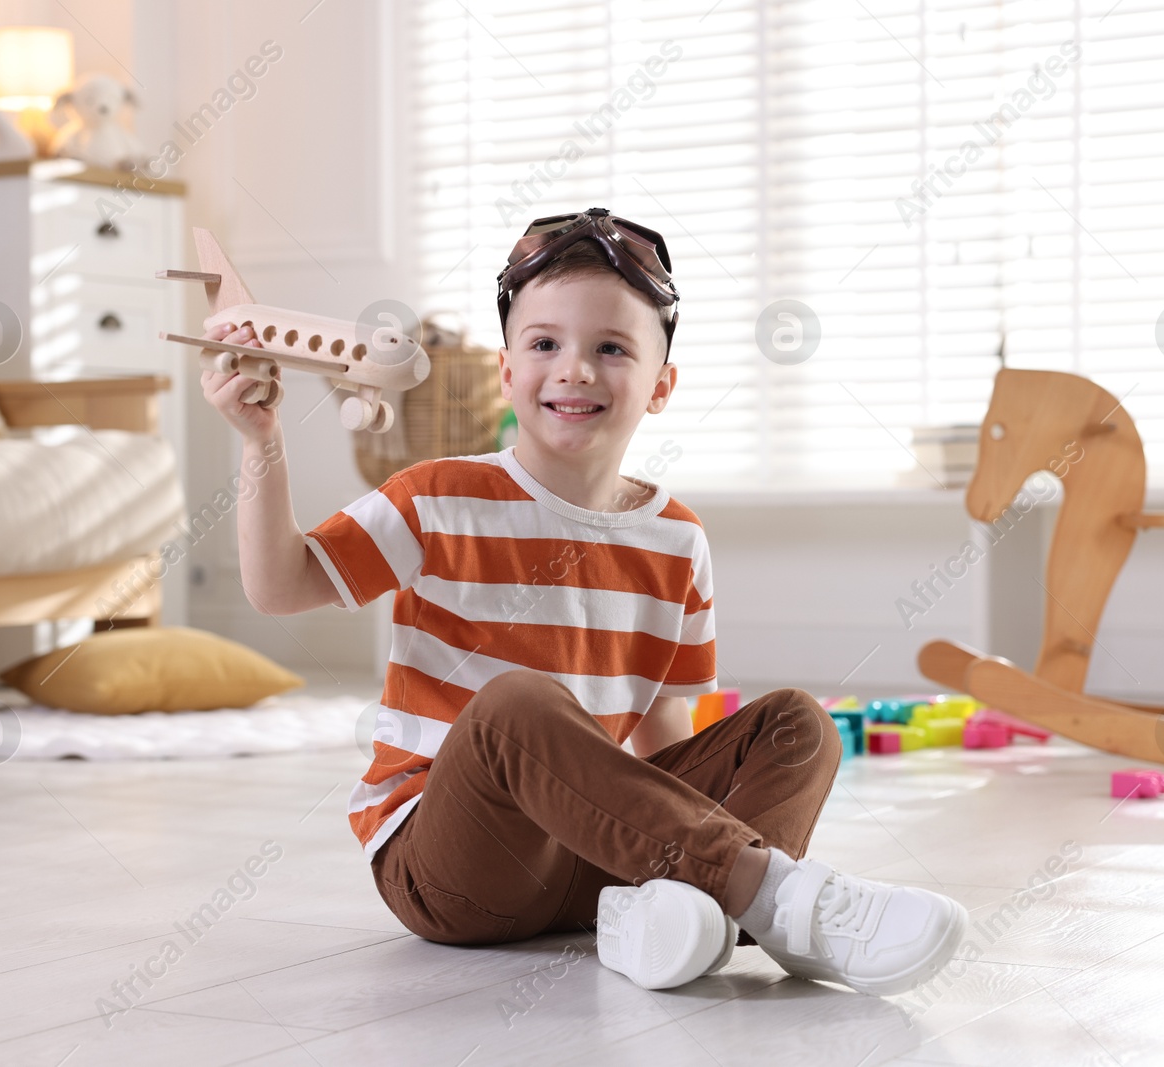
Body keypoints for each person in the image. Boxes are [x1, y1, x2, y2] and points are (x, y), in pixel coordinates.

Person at [199, 208, 967, 995]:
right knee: (516, 703)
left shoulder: (678, 539)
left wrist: (670, 828)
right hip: (455, 862)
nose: (574, 369)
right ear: (507, 372)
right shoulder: (437, 495)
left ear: (660, 386)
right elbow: (281, 584)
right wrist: (262, 441)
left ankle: (670, 913)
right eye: (544, 345)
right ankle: (770, 896)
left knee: (797, 724)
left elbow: (663, 742)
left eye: (611, 348)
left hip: (592, 859)